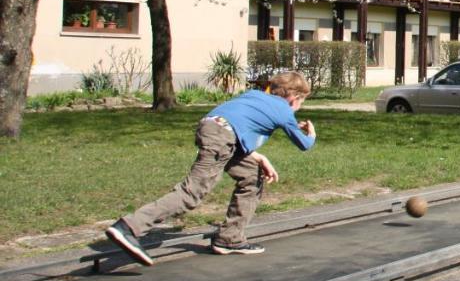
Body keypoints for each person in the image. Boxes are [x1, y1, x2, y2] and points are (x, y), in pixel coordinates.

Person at [105, 71, 317, 265]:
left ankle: (230, 238)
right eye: (301, 102)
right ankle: (129, 227)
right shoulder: (283, 109)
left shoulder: (254, 96)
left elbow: (238, 125)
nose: (300, 107)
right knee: (192, 193)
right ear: (293, 97)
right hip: (221, 137)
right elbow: (304, 144)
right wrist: (312, 133)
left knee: (252, 176)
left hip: (214, 127)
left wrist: (259, 158)